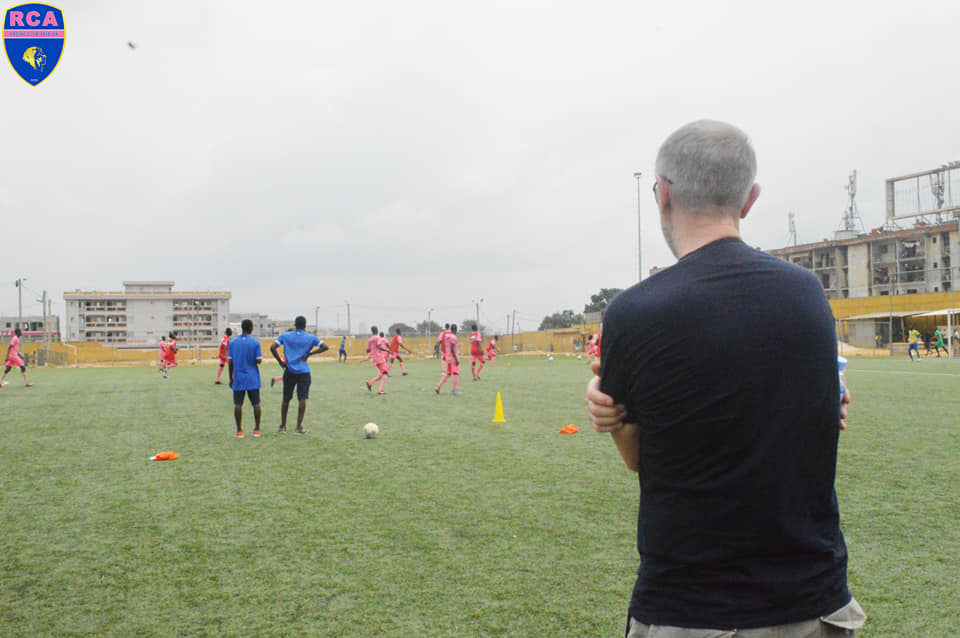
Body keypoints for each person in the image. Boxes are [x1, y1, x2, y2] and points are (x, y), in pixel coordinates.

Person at [585, 120, 864, 636]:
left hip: (688, 609)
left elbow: (638, 459)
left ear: (663, 194)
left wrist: (610, 415)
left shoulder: (634, 312)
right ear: (750, 198)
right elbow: (827, 416)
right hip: (810, 602)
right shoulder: (807, 295)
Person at [270, 316, 328, 434]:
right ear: (305, 326)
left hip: (289, 370)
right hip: (304, 372)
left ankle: (283, 426)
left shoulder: (286, 336)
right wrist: (309, 354)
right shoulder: (310, 337)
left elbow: (272, 347)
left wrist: (280, 362)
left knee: (286, 399)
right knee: (302, 399)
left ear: (295, 324)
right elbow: (325, 347)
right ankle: (299, 427)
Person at [228, 319, 262, 438]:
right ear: (251, 328)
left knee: (238, 404)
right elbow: (259, 360)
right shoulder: (255, 342)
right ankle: (256, 429)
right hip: (252, 378)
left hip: (238, 378)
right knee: (256, 404)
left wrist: (230, 378)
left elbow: (230, 362)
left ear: (242, 328)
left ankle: (239, 430)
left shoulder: (232, 343)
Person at [435, 323, 460, 395]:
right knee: (456, 373)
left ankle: (438, 387)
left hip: (448, 357)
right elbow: (452, 348)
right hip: (453, 357)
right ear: (456, 330)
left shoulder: (446, 337)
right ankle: (454, 390)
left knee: (448, 374)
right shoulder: (454, 337)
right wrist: (456, 359)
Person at [365, 326, 390, 394]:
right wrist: (387, 350)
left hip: (375, 359)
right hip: (380, 357)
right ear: (377, 330)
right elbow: (379, 346)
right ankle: (379, 390)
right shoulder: (377, 338)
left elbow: (368, 350)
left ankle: (370, 383)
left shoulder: (370, 340)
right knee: (385, 373)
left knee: (382, 374)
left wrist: (371, 351)